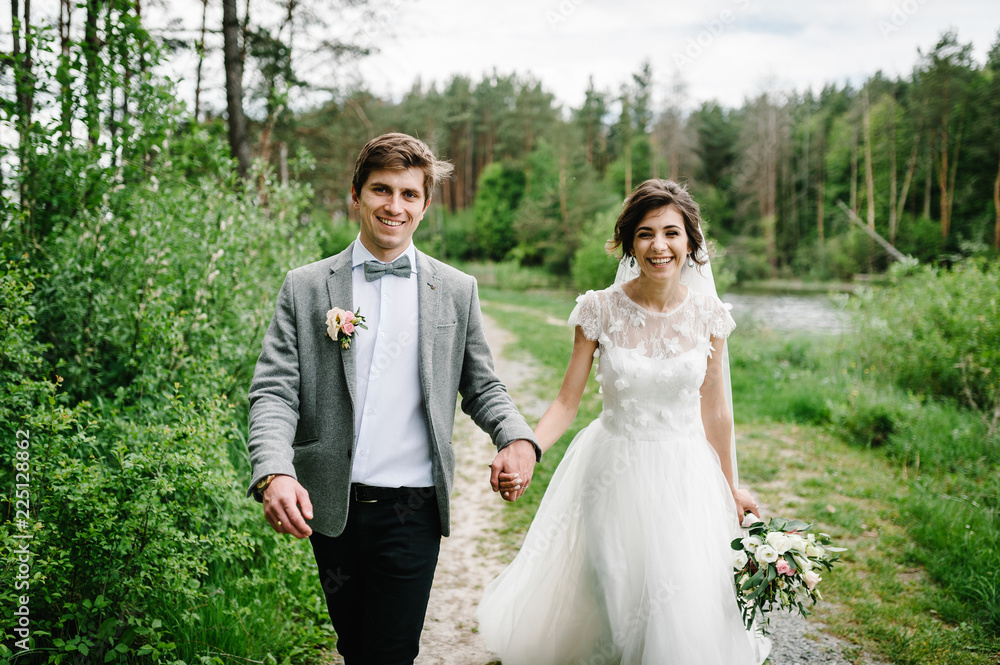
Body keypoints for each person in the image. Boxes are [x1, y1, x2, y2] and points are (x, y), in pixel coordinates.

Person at [246, 132, 540, 665]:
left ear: (425, 205)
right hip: (332, 506)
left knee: (389, 652)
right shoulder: (307, 287)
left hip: (413, 507)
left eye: (409, 194)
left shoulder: (456, 289)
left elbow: (482, 385)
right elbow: (273, 391)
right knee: (354, 646)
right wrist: (275, 470)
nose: (394, 206)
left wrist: (515, 436)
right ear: (355, 195)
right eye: (382, 190)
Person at [476, 179, 771, 664]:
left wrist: (730, 488)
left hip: (685, 476)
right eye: (646, 233)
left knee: (675, 604)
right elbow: (566, 403)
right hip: (613, 471)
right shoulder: (598, 309)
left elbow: (716, 410)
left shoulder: (710, 315)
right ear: (630, 243)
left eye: (672, 233)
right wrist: (526, 447)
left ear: (692, 244)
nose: (660, 245)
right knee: (615, 592)